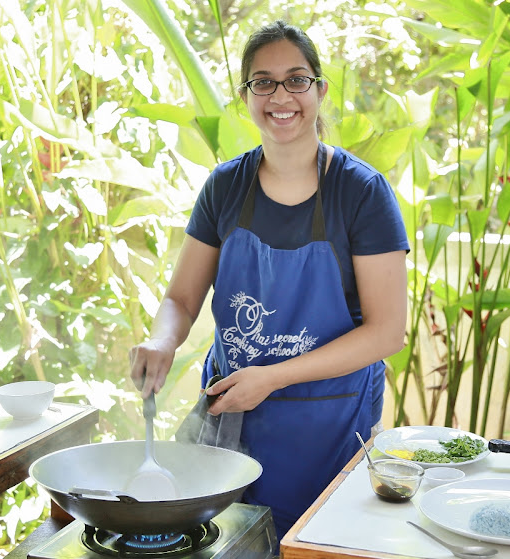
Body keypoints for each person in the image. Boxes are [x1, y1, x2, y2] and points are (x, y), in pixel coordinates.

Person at [130, 19, 409, 542]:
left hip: (327, 424)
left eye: (296, 79)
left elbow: (387, 333)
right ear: (245, 98)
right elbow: (181, 296)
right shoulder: (224, 186)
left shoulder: (361, 194)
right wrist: (162, 338)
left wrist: (273, 376)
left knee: (308, 546)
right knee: (225, 542)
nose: (281, 96)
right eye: (263, 82)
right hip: (232, 415)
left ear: (320, 90)